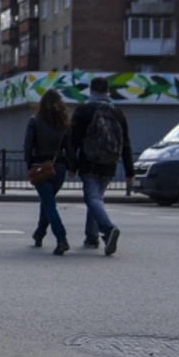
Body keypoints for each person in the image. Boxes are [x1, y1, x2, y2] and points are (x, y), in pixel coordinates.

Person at [67, 76, 134, 256]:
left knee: (92, 199)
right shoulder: (118, 112)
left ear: (92, 91)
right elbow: (126, 143)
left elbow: (73, 140)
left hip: (89, 163)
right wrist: (129, 171)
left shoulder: (83, 110)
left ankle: (108, 229)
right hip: (110, 163)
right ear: (107, 91)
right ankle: (91, 237)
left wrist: (72, 165)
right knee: (96, 199)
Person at [24, 89, 71, 255]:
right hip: (59, 170)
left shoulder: (35, 121)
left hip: (41, 168)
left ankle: (61, 238)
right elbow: (70, 149)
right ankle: (39, 234)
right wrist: (71, 167)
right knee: (48, 202)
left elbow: (28, 146)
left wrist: (29, 164)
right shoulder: (65, 124)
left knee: (49, 204)